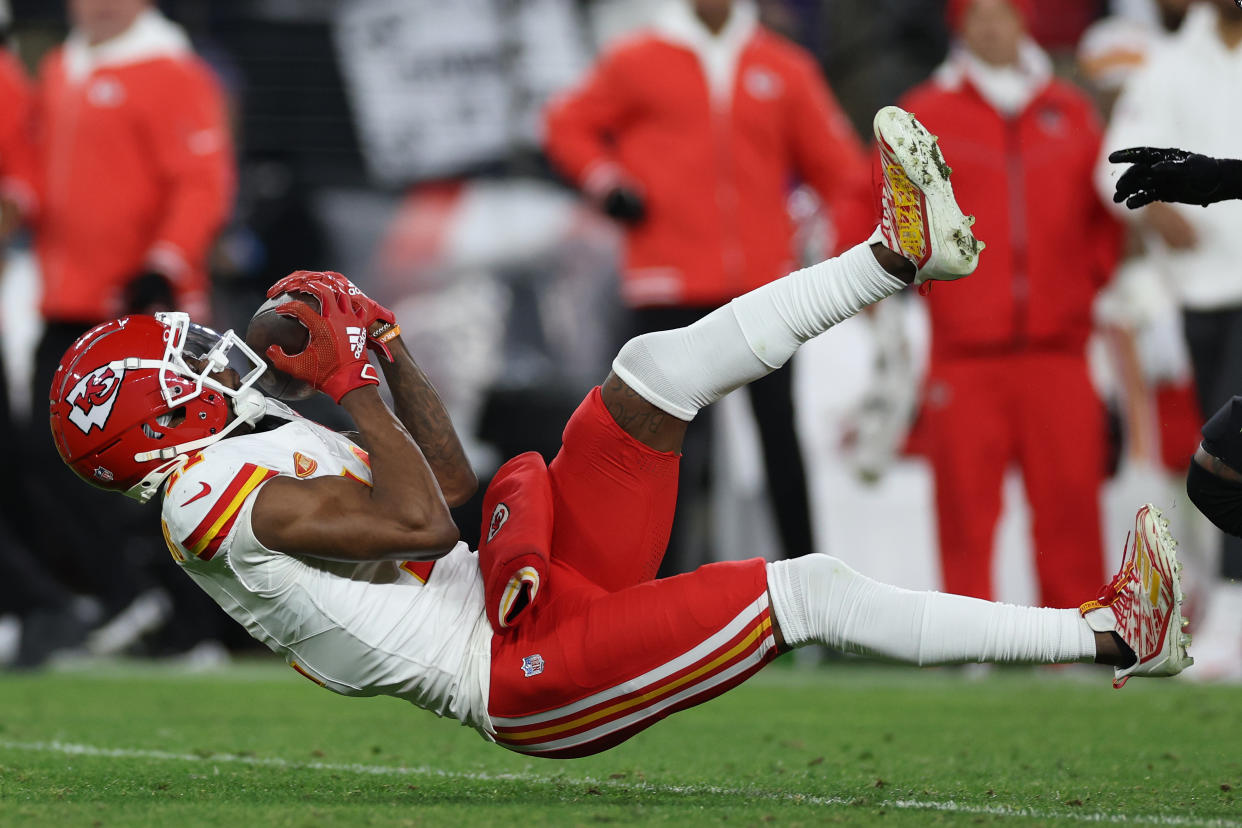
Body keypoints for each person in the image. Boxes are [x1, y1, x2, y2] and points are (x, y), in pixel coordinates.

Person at [50, 109, 1188, 758]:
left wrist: (387, 351)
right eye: (179, 365)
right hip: (520, 675)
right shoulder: (204, 507)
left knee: (645, 376)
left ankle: (898, 254)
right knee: (810, 590)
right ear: (156, 423)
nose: (202, 355)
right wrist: (351, 383)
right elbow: (406, 513)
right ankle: (1112, 635)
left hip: (507, 578)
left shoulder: (227, 467)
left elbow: (446, 485)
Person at [543, 0, 876, 574]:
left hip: (761, 289)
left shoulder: (783, 65)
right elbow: (564, 124)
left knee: (780, 439)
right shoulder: (638, 58)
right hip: (668, 282)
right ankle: (653, 600)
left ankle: (813, 599)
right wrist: (607, 182)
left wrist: (803, 229)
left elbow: (840, 168)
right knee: (664, 448)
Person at [5, 0, 235, 655]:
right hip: (65, 301)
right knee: (50, 458)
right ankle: (133, 597)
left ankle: (186, 623)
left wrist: (166, 260)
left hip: (141, 308)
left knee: (163, 469)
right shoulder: (59, 68)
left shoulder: (173, 72)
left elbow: (202, 180)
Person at [893, 0, 1123, 609]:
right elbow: (884, 210)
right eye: (978, 17)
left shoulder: (1070, 112)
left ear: (1024, 23)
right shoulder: (925, 113)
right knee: (966, 510)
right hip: (965, 349)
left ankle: (1075, 641)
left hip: (1058, 345)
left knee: (1072, 502)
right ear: (959, 26)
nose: (992, 28)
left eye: (1003, 15)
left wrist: (1084, 284)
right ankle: (971, 643)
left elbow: (1106, 215)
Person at [1098, 0, 1242, 680]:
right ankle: (1225, 607)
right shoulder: (1170, 65)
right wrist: (1153, 208)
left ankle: (1234, 612)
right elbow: (1115, 160)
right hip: (1197, 290)